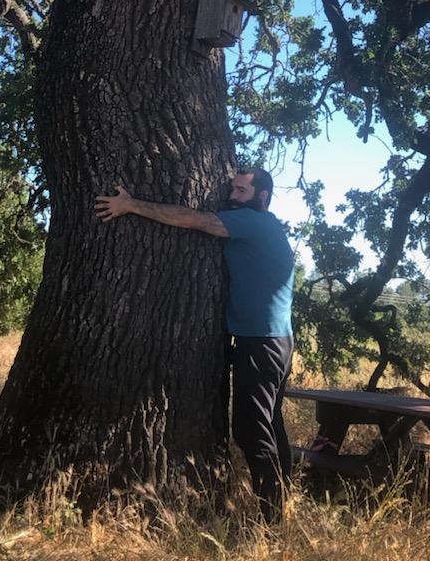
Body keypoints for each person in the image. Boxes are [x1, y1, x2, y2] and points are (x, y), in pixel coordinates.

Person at [95, 168, 294, 522]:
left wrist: (131, 206)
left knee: (251, 430)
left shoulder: (251, 221)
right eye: (232, 187)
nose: (232, 194)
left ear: (261, 196)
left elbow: (193, 220)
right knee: (269, 424)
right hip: (273, 341)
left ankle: (271, 518)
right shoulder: (263, 224)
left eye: (242, 189)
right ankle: (280, 504)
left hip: (261, 343)